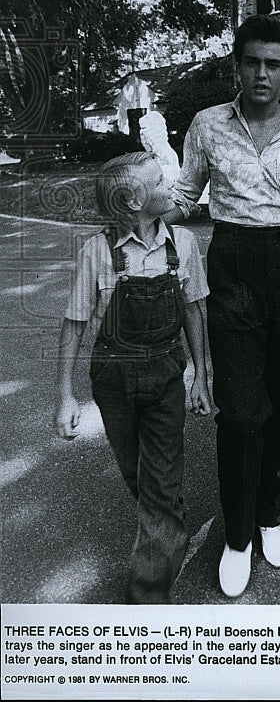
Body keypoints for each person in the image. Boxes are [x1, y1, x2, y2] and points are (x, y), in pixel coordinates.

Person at [168, 14, 280, 598]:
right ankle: (239, 534)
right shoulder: (206, 125)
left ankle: (271, 513)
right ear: (237, 67)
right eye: (252, 63)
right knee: (241, 409)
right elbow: (184, 194)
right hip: (233, 266)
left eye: (274, 64)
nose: (262, 74)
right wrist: (135, 212)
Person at [54, 152, 212, 603]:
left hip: (165, 374)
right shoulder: (97, 251)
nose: (172, 184)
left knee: (159, 481)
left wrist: (202, 375)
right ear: (132, 203)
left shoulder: (182, 245)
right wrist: (65, 395)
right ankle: (165, 518)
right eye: (161, 180)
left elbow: (193, 310)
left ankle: (146, 598)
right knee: (137, 475)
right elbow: (75, 321)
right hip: (113, 380)